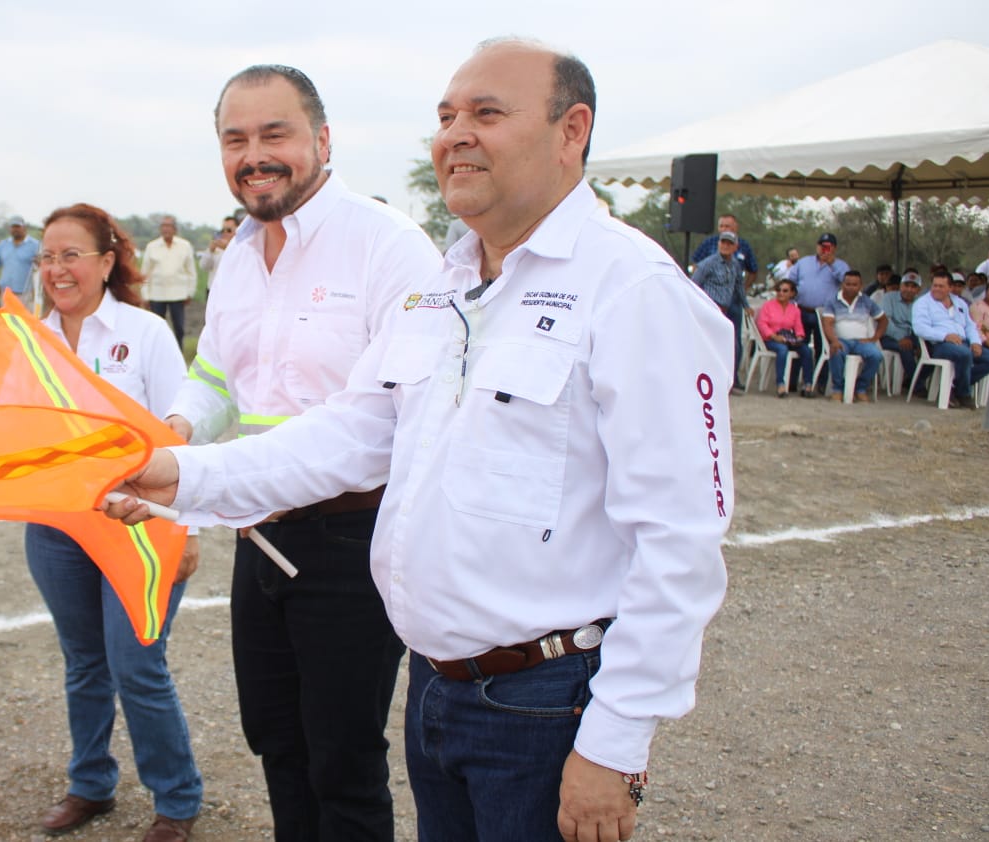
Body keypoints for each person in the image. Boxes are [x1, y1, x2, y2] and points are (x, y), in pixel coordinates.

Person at [110, 39, 731, 842]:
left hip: (548, 700)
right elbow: (354, 428)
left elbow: (679, 538)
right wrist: (177, 473)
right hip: (439, 692)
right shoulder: (448, 285)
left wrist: (616, 741)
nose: (456, 134)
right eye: (446, 116)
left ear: (571, 130)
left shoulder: (633, 290)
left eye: (487, 113)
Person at [164, 64, 442, 841]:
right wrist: (178, 429)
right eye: (235, 139)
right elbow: (215, 374)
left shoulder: (388, 246)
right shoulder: (239, 254)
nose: (254, 156)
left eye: (274, 134)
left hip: (351, 540)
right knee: (277, 744)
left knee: (343, 762)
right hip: (258, 535)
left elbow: (378, 422)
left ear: (322, 139)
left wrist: (189, 477)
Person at [25, 204, 204, 842]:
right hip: (58, 531)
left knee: (136, 665)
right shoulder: (32, 342)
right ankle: (91, 783)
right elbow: (2, 426)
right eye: (48, 257)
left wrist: (188, 530)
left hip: (140, 528)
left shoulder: (145, 332)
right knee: (84, 662)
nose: (57, 269)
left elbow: (180, 436)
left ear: (106, 262)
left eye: (71, 255)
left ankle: (176, 799)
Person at [913, 268, 989, 409]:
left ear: (950, 288)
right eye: (935, 285)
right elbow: (919, 328)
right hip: (939, 344)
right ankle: (964, 394)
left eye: (941, 286)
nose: (936, 289)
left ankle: (954, 386)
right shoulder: (923, 303)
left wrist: (976, 342)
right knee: (964, 354)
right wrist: (945, 336)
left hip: (963, 342)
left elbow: (970, 326)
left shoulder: (959, 303)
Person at [789, 232, 850, 396]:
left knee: (822, 347)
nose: (824, 249)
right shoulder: (803, 262)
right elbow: (790, 282)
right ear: (817, 246)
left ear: (834, 248)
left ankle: (820, 383)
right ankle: (793, 381)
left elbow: (847, 283)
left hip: (824, 314)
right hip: (802, 310)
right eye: (822, 246)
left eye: (828, 246)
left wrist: (832, 264)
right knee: (798, 345)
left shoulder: (841, 265)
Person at [690, 230, 751, 393]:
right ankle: (705, 381)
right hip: (710, 310)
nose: (725, 246)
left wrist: (746, 305)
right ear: (718, 243)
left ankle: (729, 381)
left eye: (729, 243)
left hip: (726, 309)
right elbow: (693, 285)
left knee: (733, 346)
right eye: (723, 242)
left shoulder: (735, 265)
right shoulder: (708, 264)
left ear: (735, 247)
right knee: (709, 346)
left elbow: (739, 286)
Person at [820, 269, 887, 402]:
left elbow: (883, 320)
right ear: (842, 285)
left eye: (854, 285)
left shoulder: (866, 301)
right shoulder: (832, 301)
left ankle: (860, 388)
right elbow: (827, 324)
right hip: (841, 340)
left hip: (861, 342)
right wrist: (833, 340)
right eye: (848, 284)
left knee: (876, 356)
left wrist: (874, 338)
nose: (850, 287)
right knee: (836, 351)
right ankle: (838, 388)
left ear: (860, 286)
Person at [140, 215, 198, 345]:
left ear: (175, 229)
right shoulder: (152, 246)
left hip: (178, 294)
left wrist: (190, 292)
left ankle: (178, 352)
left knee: (179, 328)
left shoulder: (185, 246)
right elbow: (145, 273)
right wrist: (145, 295)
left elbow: (191, 272)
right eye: (163, 226)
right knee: (156, 328)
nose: (165, 229)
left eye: (168, 226)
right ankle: (157, 352)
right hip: (157, 294)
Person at [755, 278, 807, 397]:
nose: (781, 293)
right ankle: (780, 384)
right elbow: (762, 324)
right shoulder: (768, 306)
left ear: (792, 293)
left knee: (806, 350)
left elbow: (798, 327)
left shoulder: (795, 310)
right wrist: (774, 336)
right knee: (782, 350)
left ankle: (808, 384)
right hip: (770, 339)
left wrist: (799, 337)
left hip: (787, 339)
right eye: (778, 290)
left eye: (785, 291)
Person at [881, 271, 924, 395]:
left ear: (919, 290)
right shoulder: (889, 298)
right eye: (906, 285)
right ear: (900, 286)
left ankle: (911, 380)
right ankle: (918, 386)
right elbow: (886, 321)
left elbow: (920, 324)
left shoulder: (921, 302)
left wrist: (918, 343)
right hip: (889, 336)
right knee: (905, 348)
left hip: (911, 336)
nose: (909, 289)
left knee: (931, 350)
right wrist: (900, 337)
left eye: (913, 286)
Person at [691, 214, 758, 289]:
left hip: (733, 290)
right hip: (710, 291)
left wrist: (744, 288)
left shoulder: (744, 246)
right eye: (721, 226)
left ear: (736, 227)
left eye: (727, 226)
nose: (723, 229)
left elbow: (753, 270)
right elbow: (695, 265)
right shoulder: (709, 243)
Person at [0, 215, 41, 309]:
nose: (15, 229)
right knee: (7, 318)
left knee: (25, 318)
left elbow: (41, 267)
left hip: (27, 294)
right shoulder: (3, 245)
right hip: (6, 293)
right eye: (13, 227)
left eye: (18, 226)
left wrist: (36, 290)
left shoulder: (35, 245)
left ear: (24, 228)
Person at [197, 214, 238, 285]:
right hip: (213, 288)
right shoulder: (216, 246)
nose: (225, 233)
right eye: (222, 230)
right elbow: (204, 266)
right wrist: (210, 251)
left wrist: (227, 248)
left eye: (229, 230)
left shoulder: (241, 247)